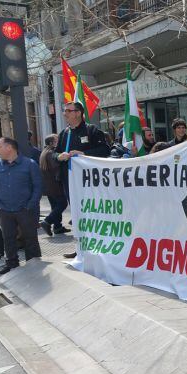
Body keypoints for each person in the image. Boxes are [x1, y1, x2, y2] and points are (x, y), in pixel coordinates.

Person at [56, 101, 111, 259]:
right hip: (69, 180)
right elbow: (54, 153)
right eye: (65, 111)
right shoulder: (64, 133)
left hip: (89, 182)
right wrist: (59, 156)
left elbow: (105, 150)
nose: (65, 114)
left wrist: (84, 154)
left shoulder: (92, 130)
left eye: (68, 111)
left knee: (92, 213)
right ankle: (80, 247)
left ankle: (99, 245)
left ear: (78, 113)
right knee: (76, 214)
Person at [0, 137, 42, 276]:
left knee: (30, 238)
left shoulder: (30, 164)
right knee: (8, 238)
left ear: (9, 148)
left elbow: (38, 187)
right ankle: (12, 264)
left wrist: (30, 204)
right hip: (4, 210)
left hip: (25, 209)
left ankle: (34, 265)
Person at [39, 134, 70, 237]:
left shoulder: (44, 152)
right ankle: (47, 221)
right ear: (52, 143)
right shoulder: (50, 153)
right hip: (54, 185)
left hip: (48, 185)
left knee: (55, 206)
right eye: (57, 140)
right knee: (62, 203)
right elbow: (56, 166)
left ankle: (57, 227)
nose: (59, 141)